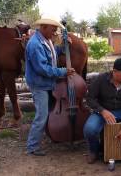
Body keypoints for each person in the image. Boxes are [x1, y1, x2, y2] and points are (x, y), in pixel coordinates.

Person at [25, 17, 75, 156]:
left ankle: (47, 136)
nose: (54, 33)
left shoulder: (45, 40)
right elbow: (43, 69)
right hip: (39, 84)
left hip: (45, 83)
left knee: (46, 113)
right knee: (41, 115)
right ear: (44, 27)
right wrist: (63, 71)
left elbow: (51, 55)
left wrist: (62, 47)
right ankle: (32, 147)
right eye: (53, 30)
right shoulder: (35, 44)